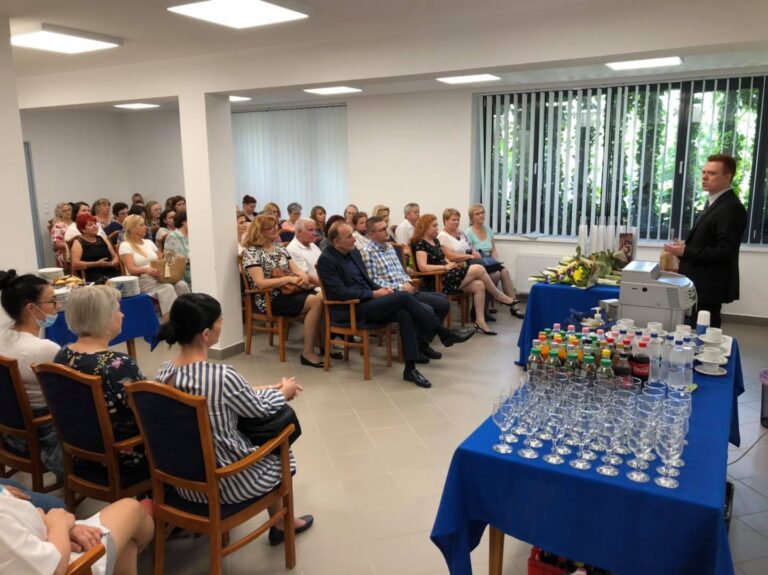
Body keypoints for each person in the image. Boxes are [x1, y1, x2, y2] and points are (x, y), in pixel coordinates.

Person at [154, 293, 313, 544]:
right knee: (280, 449)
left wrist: (270, 388)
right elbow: (258, 409)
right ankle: (282, 523)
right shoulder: (222, 375)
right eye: (219, 320)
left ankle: (280, 523)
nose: (223, 324)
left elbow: (233, 395)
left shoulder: (164, 373)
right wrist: (284, 392)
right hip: (225, 480)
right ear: (206, 334)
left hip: (183, 483)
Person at [316, 222, 473, 388]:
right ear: (336, 242)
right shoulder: (327, 260)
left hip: (368, 301)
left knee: (405, 312)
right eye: (349, 236)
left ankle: (410, 369)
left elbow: (367, 280)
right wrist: (373, 294)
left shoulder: (353, 252)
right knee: (403, 297)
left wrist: (382, 291)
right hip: (351, 308)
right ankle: (443, 332)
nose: (354, 239)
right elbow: (338, 292)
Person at [53, 286, 149, 477]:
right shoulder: (118, 364)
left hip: (80, 452)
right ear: (104, 319)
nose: (122, 315)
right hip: (123, 457)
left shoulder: (62, 354)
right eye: (118, 310)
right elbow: (145, 412)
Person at [361, 216, 467, 360]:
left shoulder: (390, 247)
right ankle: (426, 344)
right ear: (372, 234)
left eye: (386, 227)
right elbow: (374, 281)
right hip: (391, 295)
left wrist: (408, 282)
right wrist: (400, 287)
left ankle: (422, 343)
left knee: (443, 302)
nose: (387, 231)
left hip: (406, 290)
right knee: (428, 308)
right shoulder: (367, 252)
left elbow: (401, 271)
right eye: (382, 229)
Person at [663, 153, 748, 328]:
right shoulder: (715, 202)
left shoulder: (732, 207)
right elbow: (708, 241)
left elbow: (725, 250)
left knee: (705, 332)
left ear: (727, 177)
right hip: (700, 282)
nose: (704, 177)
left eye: (712, 173)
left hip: (709, 285)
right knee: (695, 329)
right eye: (703, 172)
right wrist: (684, 249)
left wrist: (686, 251)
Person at [0, 485, 154, 575]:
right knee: (132, 509)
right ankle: (151, 522)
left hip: (41, 543)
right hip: (68, 566)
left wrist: (55, 526)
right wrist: (59, 525)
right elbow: (55, 570)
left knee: (128, 546)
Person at [0, 270, 63, 478]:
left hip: (8, 430)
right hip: (43, 432)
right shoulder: (44, 349)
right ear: (31, 308)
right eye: (52, 301)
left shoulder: (3, 336)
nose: (58, 306)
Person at [412, 214, 518, 335]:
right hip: (437, 279)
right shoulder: (421, 243)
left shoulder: (435, 241)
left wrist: (451, 264)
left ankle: (480, 322)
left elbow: (443, 258)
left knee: (479, 285)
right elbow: (423, 267)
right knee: (478, 268)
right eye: (434, 226)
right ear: (425, 227)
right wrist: (444, 267)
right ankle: (498, 295)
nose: (437, 228)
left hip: (448, 274)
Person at [242, 214, 326, 367]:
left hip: (289, 292)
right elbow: (260, 283)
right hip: (269, 298)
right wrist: (288, 279)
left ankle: (323, 346)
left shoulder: (280, 248)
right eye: (270, 227)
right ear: (259, 230)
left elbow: (296, 269)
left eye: (276, 226)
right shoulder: (252, 252)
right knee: (316, 300)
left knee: (323, 297)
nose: (276, 229)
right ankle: (307, 352)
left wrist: (302, 276)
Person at [118, 215, 190, 320]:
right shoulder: (125, 245)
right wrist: (146, 270)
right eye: (142, 225)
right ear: (132, 228)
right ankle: (171, 322)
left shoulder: (148, 242)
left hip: (158, 276)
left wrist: (172, 258)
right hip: (140, 279)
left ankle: (187, 317)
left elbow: (161, 259)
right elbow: (131, 269)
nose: (146, 227)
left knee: (181, 285)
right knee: (167, 288)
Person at [465, 204, 522, 318]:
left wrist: (496, 260)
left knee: (504, 272)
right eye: (477, 214)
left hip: (489, 262)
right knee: (495, 275)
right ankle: (482, 310)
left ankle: (514, 307)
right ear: (472, 218)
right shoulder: (469, 232)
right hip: (478, 263)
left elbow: (493, 250)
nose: (481, 215)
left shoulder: (489, 230)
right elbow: (470, 252)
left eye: (482, 213)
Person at [70, 214, 121, 283]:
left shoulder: (102, 238)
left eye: (95, 224)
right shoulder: (78, 242)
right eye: (90, 225)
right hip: (91, 274)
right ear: (83, 229)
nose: (95, 226)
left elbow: (115, 256)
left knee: (122, 281)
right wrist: (96, 263)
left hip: (109, 270)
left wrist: (113, 262)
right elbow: (75, 264)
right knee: (110, 282)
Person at [287, 218, 322, 285]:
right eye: (310, 230)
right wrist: (327, 284)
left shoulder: (312, 245)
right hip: (315, 287)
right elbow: (307, 277)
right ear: (298, 231)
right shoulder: (292, 250)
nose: (314, 233)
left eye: (315, 230)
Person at [163, 211, 191, 286]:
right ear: (183, 222)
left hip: (195, 270)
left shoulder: (192, 235)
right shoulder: (172, 237)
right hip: (181, 274)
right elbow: (170, 260)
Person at [49, 202, 73, 269]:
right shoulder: (58, 226)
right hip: (65, 253)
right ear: (59, 213)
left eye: (69, 210)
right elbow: (57, 244)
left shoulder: (75, 223)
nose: (68, 212)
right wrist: (73, 246)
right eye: (64, 211)